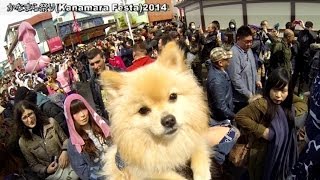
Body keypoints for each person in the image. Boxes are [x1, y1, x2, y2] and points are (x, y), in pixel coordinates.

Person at [234, 68, 308, 180]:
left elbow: (302, 104)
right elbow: (240, 116)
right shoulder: (262, 105)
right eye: (275, 90)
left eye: (283, 91)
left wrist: (290, 109)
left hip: (282, 157)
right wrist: (263, 131)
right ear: (268, 88)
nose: (278, 95)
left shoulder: (287, 108)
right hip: (262, 157)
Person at [14, 100, 70, 179]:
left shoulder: (51, 123)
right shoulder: (23, 142)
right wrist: (46, 170)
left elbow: (65, 139)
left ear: (35, 112)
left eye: (30, 114)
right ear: (20, 121)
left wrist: (65, 151)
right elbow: (33, 164)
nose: (30, 120)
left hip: (67, 164)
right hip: (52, 176)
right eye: (24, 118)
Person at [64, 94, 111, 180]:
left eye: (83, 109)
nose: (82, 115)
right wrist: (106, 175)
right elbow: (82, 171)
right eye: (76, 112)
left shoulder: (102, 124)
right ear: (70, 117)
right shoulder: (73, 144)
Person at [227, 25, 262, 113]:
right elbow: (235, 78)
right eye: (247, 41)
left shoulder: (249, 50)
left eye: (251, 41)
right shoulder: (234, 54)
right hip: (240, 99)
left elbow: (253, 67)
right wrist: (248, 93)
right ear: (238, 39)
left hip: (250, 94)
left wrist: (257, 80)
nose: (249, 44)